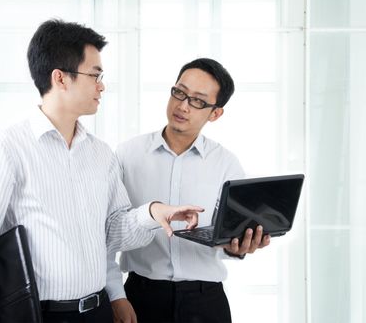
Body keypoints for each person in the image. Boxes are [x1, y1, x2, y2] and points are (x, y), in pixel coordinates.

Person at [0, 19, 203, 323]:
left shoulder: (100, 153)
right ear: (60, 78)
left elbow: (112, 234)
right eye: (95, 75)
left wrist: (152, 213)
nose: (102, 85)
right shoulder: (10, 147)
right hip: (41, 315)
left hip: (98, 312)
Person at [107, 58, 271, 323]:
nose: (182, 106)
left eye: (197, 101)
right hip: (141, 296)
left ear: (215, 113)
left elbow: (229, 236)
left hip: (206, 301)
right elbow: (107, 232)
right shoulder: (128, 154)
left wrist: (238, 247)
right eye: (179, 93)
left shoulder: (225, 163)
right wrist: (115, 295)